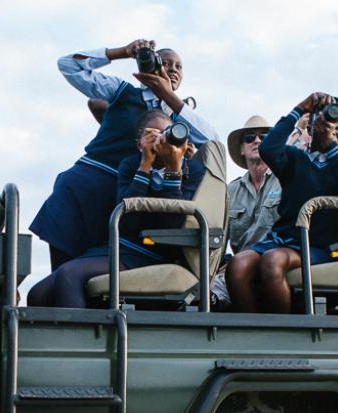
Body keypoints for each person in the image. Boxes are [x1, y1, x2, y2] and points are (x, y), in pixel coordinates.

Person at [30, 39, 218, 271]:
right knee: (61, 271)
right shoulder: (123, 92)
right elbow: (68, 65)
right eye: (165, 62)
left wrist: (168, 96)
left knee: (92, 277)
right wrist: (122, 52)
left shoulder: (180, 118)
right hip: (83, 187)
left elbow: (212, 141)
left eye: (179, 66)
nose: (172, 69)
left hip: (121, 200)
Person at [27, 110, 206, 308]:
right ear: (140, 144)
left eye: (167, 133)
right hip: (120, 247)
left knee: (69, 275)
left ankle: (79, 339)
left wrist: (173, 170)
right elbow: (127, 221)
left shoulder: (191, 171)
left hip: (155, 252)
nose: (163, 140)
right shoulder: (130, 165)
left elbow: (171, 225)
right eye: (154, 135)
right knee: (38, 294)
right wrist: (145, 165)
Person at [226, 92, 338, 313]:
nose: (332, 132)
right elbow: (268, 148)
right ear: (311, 129)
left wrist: (330, 147)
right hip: (282, 238)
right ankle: (253, 330)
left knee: (273, 263)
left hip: (318, 245)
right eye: (326, 126)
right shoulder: (296, 158)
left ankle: (283, 332)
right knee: (237, 265)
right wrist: (300, 108)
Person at [209, 115, 282, 310]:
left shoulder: (287, 179)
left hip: (277, 258)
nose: (257, 141)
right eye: (250, 137)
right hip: (239, 265)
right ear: (241, 148)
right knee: (205, 293)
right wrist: (220, 264)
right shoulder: (230, 191)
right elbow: (219, 237)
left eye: (265, 137)